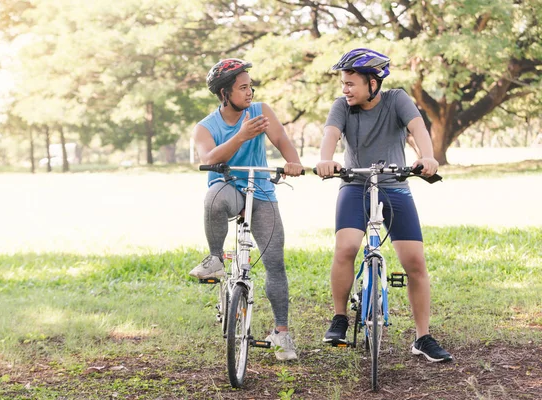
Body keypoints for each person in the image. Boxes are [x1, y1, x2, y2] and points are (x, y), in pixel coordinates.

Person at [315, 48, 453, 363]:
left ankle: (423, 337)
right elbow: (330, 135)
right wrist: (326, 160)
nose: (345, 89)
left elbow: (418, 128)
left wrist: (427, 155)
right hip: (355, 184)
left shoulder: (397, 100)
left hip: (395, 186)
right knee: (346, 247)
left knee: (415, 263)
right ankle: (339, 318)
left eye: (351, 83)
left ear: (373, 83)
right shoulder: (342, 107)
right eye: (343, 83)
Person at [189, 58, 304, 361]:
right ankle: (215, 259)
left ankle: (281, 333)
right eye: (243, 87)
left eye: (250, 86)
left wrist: (293, 162)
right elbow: (209, 159)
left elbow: (282, 140)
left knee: (275, 262)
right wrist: (241, 135)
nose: (250, 92)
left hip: (261, 190)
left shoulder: (261, 111)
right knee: (212, 198)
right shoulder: (205, 127)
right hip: (228, 190)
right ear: (225, 93)